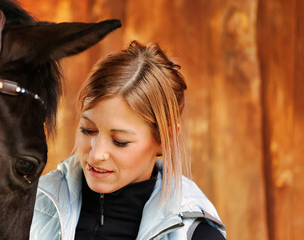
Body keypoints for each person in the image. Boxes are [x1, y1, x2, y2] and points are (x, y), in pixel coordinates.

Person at [30, 41, 226, 240]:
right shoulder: (29, 208)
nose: (97, 155)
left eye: (120, 141)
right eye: (88, 130)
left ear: (164, 139)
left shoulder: (198, 235)